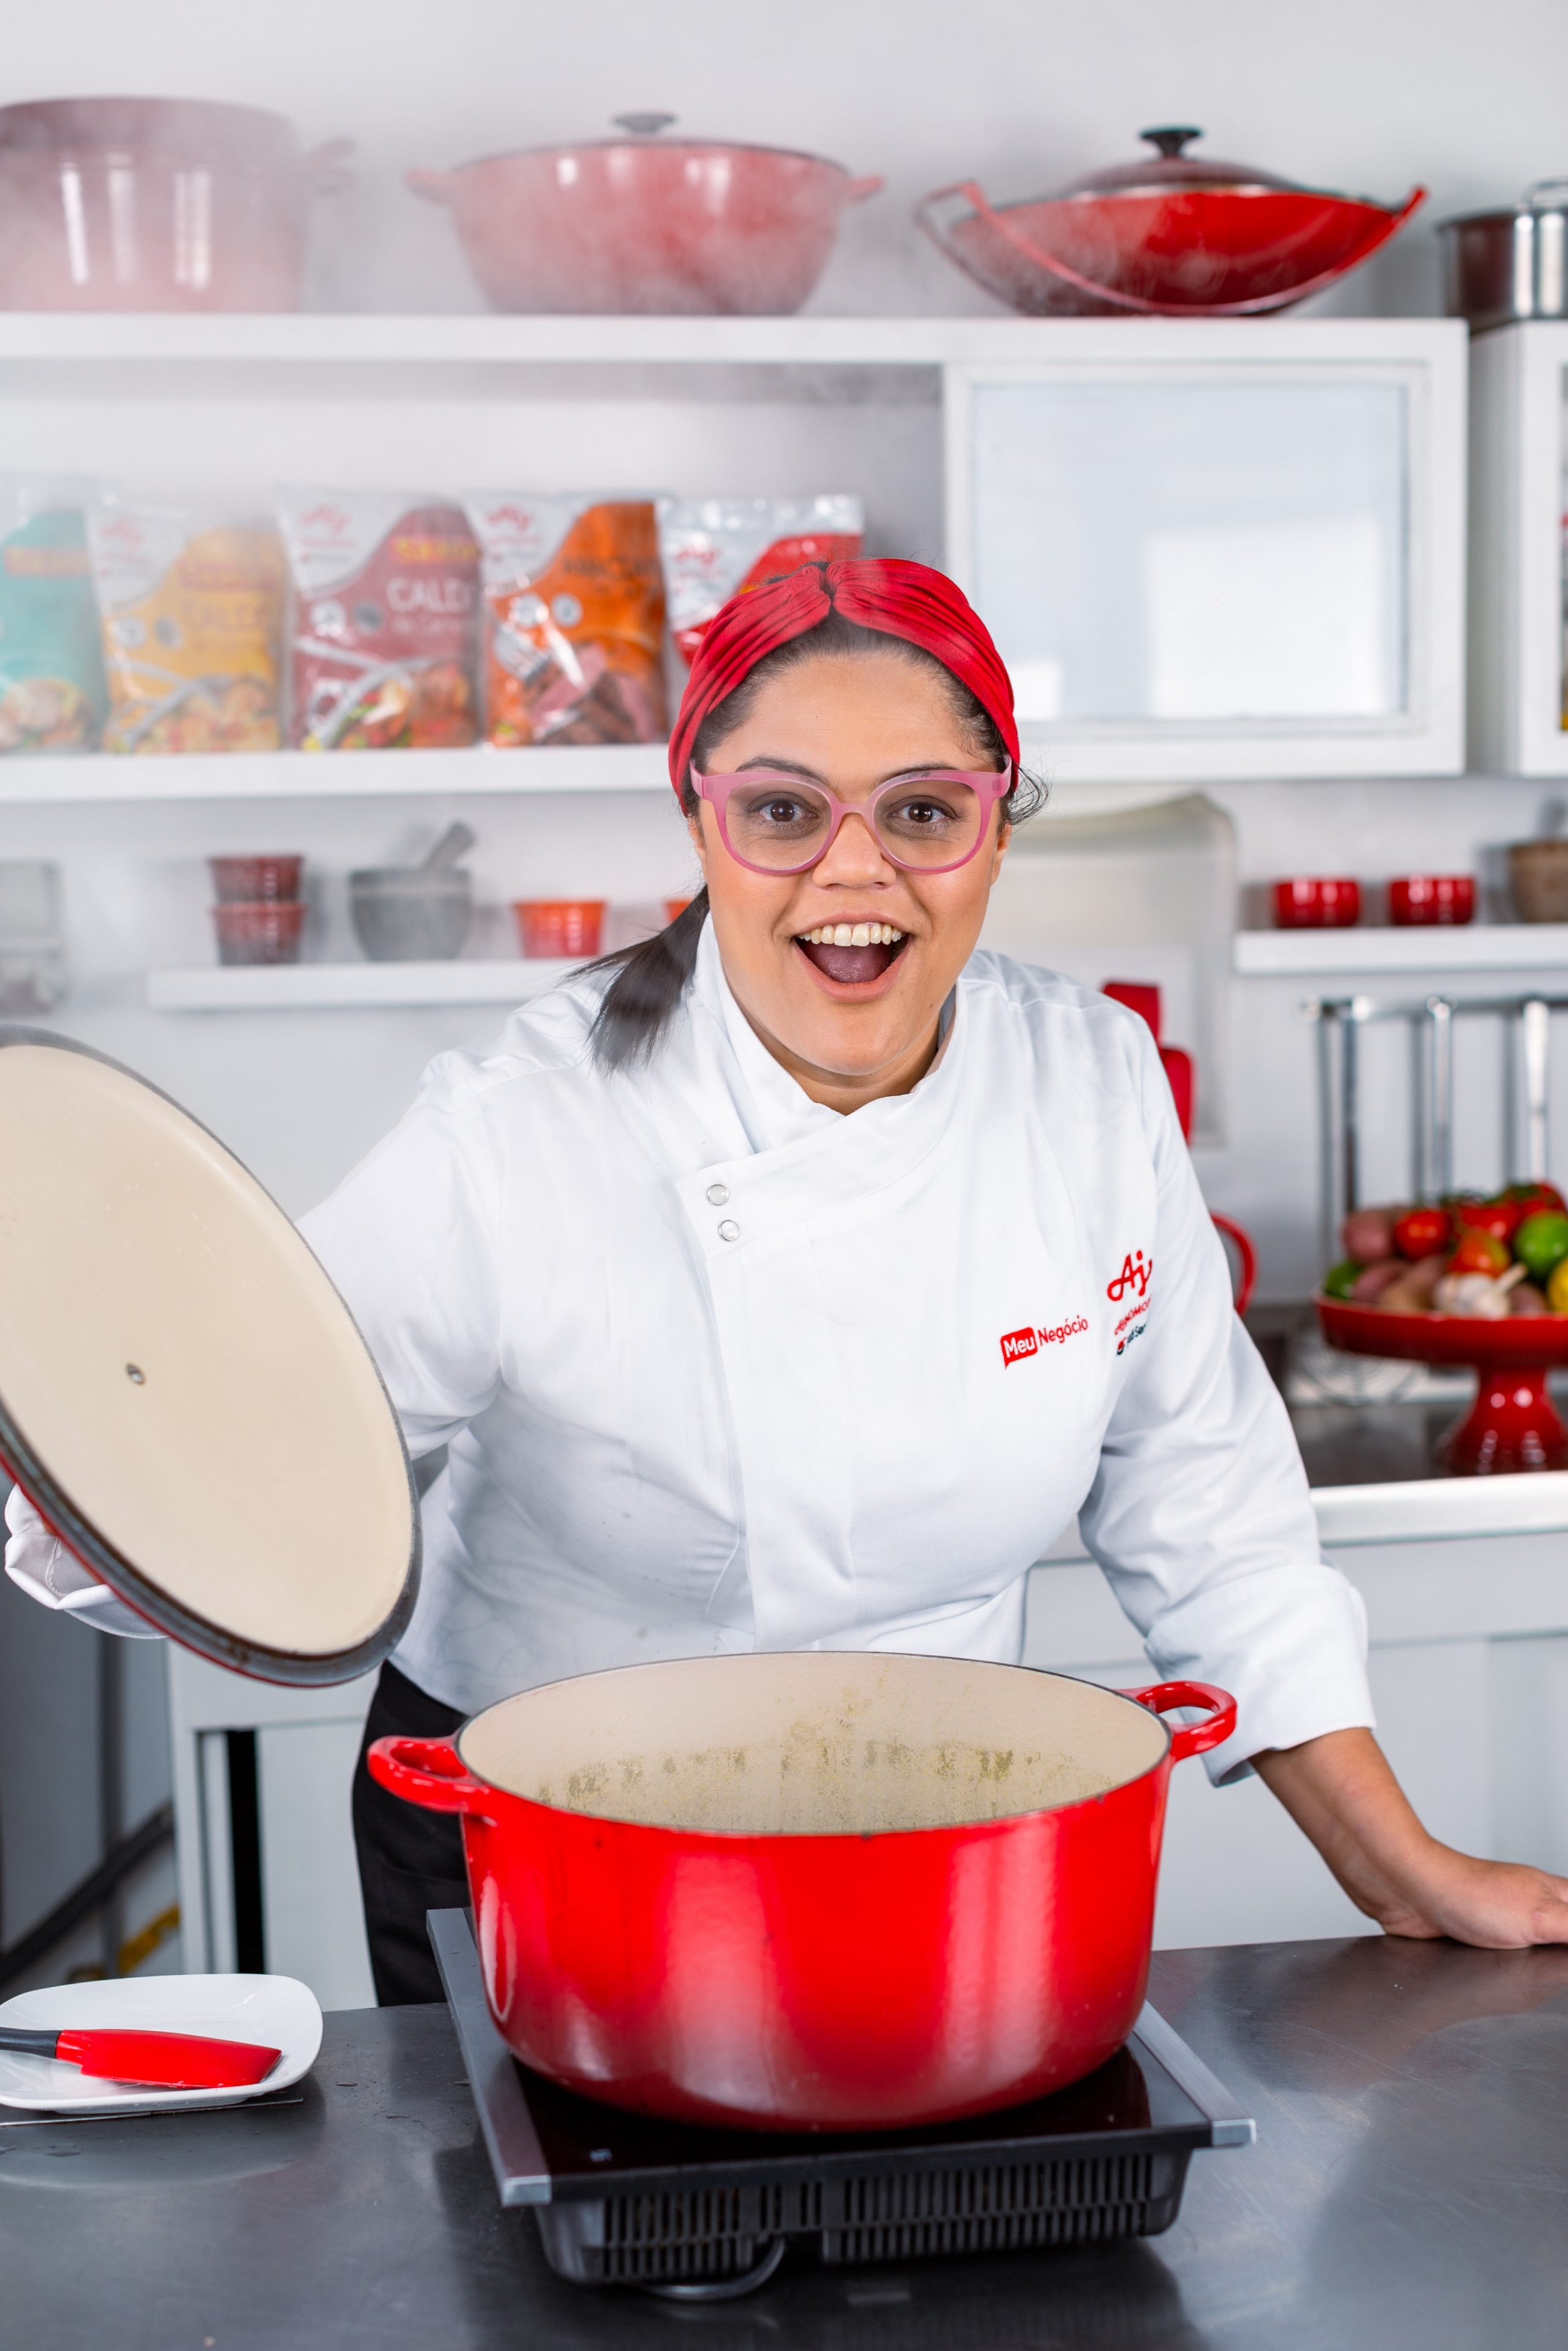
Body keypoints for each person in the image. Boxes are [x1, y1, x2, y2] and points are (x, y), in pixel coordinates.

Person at [10, 559, 1568, 1999]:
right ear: (698, 822)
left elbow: (1210, 1516)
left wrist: (1400, 1869)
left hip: (942, 1822)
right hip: (552, 1846)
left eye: (921, 811)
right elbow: (251, 1459)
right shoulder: (521, 1131)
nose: (854, 872)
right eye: (781, 813)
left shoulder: (1089, 1086)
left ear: (1000, 826)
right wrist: (95, 1459)